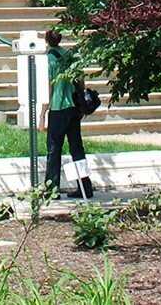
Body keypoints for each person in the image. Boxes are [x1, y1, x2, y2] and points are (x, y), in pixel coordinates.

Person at [44, 29, 94, 200]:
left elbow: (49, 88)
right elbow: (81, 81)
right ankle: (85, 187)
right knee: (77, 148)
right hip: (74, 108)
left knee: (54, 149)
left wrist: (43, 113)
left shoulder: (49, 58)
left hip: (58, 108)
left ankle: (52, 190)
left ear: (47, 40)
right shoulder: (71, 56)